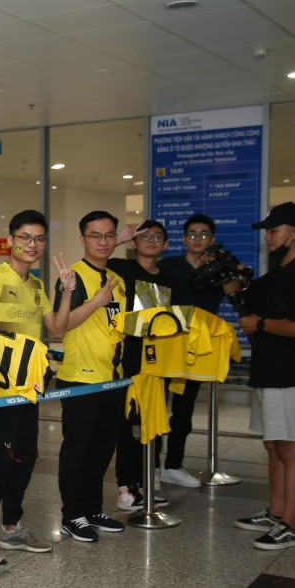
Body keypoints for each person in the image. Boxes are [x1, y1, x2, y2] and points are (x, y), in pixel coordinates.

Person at [0, 210, 74, 560]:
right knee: (1, 458)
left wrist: (67, 292)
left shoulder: (36, 286)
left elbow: (58, 328)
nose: (32, 245)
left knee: (26, 457)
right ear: (11, 239)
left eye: (39, 239)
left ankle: (12, 527)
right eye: (25, 237)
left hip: (30, 388)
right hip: (1, 389)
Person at [228, 202, 295, 549]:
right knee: (273, 445)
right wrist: (229, 278)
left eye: (273, 231)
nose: (268, 238)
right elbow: (244, 300)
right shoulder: (280, 271)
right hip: (269, 370)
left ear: (294, 233)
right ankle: (276, 511)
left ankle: (291, 525)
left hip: (288, 373)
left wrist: (261, 324)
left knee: (290, 448)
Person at [53, 210, 128, 544]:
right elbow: (62, 323)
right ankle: (72, 515)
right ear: (82, 239)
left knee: (102, 449)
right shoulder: (73, 277)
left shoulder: (117, 279)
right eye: (95, 235)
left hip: (112, 378)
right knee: (78, 449)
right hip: (81, 378)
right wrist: (98, 301)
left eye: (109, 235)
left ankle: (92, 508)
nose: (103, 241)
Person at [107, 219, 174, 511]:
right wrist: (119, 238)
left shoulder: (169, 276)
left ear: (166, 244)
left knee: (154, 422)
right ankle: (127, 486)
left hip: (159, 361)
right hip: (129, 360)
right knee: (126, 424)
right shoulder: (122, 269)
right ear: (134, 243)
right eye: (144, 236)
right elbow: (96, 262)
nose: (151, 240)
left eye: (157, 236)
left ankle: (144, 483)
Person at [156, 214, 226, 488]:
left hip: (197, 350)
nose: (198, 239)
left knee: (184, 412)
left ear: (212, 239)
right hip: (165, 349)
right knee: (157, 409)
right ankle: (151, 467)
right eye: (193, 234)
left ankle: (174, 464)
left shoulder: (218, 271)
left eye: (204, 234)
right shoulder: (168, 267)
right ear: (184, 239)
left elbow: (236, 295)